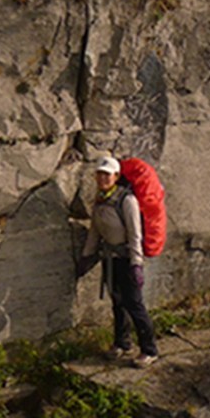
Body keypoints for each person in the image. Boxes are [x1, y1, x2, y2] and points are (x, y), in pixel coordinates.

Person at [76, 156, 159, 368]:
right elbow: (95, 231)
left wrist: (136, 264)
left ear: (116, 176)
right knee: (118, 303)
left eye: (107, 174)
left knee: (134, 305)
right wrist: (87, 256)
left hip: (126, 259)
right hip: (110, 259)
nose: (103, 178)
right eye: (100, 174)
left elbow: (135, 235)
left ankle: (149, 349)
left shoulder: (127, 200)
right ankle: (122, 343)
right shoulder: (100, 199)